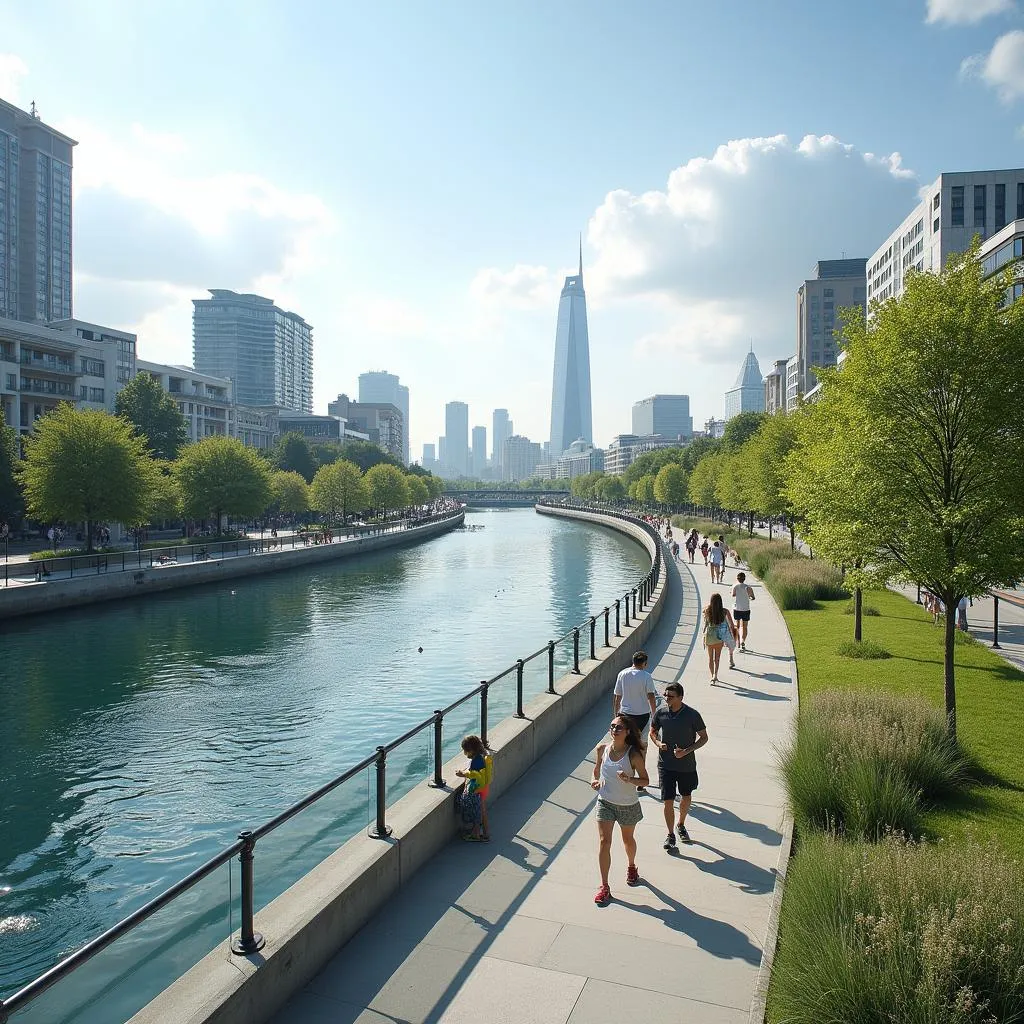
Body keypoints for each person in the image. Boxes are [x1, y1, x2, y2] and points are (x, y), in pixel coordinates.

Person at [591, 714, 649, 904]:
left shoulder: (633, 755)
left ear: (628, 732)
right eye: (612, 726)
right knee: (604, 842)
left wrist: (629, 779)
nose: (614, 730)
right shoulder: (602, 749)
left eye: (618, 728)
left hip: (627, 805)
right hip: (605, 801)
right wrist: (594, 780)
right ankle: (604, 886)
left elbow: (645, 780)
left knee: (627, 840)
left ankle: (632, 866)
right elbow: (596, 770)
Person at [650, 683, 707, 849]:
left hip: (686, 765)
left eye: (671, 696)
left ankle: (681, 824)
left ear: (681, 697)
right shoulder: (661, 713)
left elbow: (704, 737)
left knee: (686, 797)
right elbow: (652, 731)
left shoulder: (692, 715)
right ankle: (670, 835)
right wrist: (658, 743)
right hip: (665, 764)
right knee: (668, 800)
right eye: (666, 695)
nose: (667, 699)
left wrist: (686, 751)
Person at [613, 651, 657, 793]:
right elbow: (651, 696)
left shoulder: (622, 674)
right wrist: (654, 715)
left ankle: (625, 777)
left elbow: (617, 696)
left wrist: (616, 716)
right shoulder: (646, 676)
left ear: (633, 661)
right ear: (644, 663)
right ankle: (640, 781)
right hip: (643, 716)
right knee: (642, 748)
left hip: (625, 716)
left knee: (626, 747)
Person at [455, 735, 493, 842]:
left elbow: (474, 774)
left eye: (466, 751)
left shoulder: (476, 761)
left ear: (471, 750)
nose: (465, 753)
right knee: (482, 810)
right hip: (484, 788)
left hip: (477, 789)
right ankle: (486, 833)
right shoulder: (483, 755)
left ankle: (475, 833)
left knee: (474, 810)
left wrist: (462, 774)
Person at [703, 592, 736, 684]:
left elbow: (705, 623)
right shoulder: (725, 611)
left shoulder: (707, 610)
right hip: (719, 637)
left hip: (709, 637)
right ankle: (715, 675)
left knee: (710, 658)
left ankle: (711, 675)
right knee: (717, 658)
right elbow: (731, 625)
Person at [731, 571, 755, 651]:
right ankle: (742, 641)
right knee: (744, 627)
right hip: (746, 609)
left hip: (737, 608)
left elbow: (733, 595)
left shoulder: (735, 586)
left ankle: (737, 641)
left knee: (737, 626)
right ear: (744, 579)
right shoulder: (748, 587)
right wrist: (749, 597)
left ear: (737, 579)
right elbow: (753, 597)